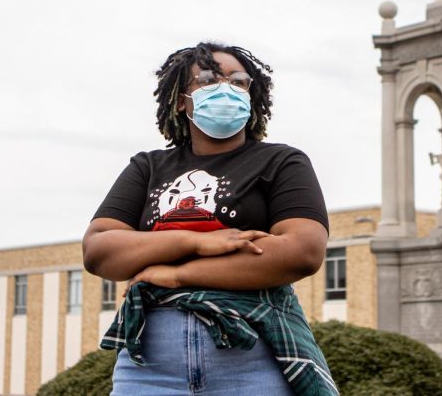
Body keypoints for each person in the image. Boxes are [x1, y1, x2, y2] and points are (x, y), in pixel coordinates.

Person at [83, 42, 338, 395]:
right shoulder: (148, 167)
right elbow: (99, 250)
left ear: (251, 97)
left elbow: (301, 252)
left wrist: (176, 274)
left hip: (249, 364)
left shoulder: (282, 162)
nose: (225, 89)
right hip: (149, 372)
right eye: (206, 79)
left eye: (239, 81)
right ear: (181, 100)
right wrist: (196, 241)